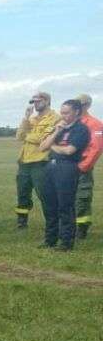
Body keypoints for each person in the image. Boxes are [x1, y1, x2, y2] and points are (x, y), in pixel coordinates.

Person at [39, 99, 91, 251]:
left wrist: (52, 145)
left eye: (66, 113)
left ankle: (66, 242)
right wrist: (56, 131)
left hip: (67, 167)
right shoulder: (59, 127)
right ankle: (50, 239)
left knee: (65, 206)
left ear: (76, 112)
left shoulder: (81, 129)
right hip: (50, 166)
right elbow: (42, 147)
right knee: (49, 205)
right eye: (62, 112)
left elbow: (69, 151)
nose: (63, 115)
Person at [14, 91, 58, 229]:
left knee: (45, 194)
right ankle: (22, 222)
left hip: (41, 162)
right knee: (22, 193)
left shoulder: (55, 118)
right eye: (33, 101)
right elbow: (19, 136)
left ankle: (52, 224)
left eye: (38, 101)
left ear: (47, 101)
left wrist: (27, 136)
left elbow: (44, 139)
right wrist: (26, 117)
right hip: (24, 161)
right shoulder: (31, 119)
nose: (35, 104)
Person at [74, 94, 103, 238]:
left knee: (82, 197)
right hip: (66, 165)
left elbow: (96, 148)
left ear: (88, 105)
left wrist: (83, 166)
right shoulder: (69, 121)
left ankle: (82, 228)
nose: (78, 107)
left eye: (81, 105)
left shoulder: (95, 124)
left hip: (82, 165)